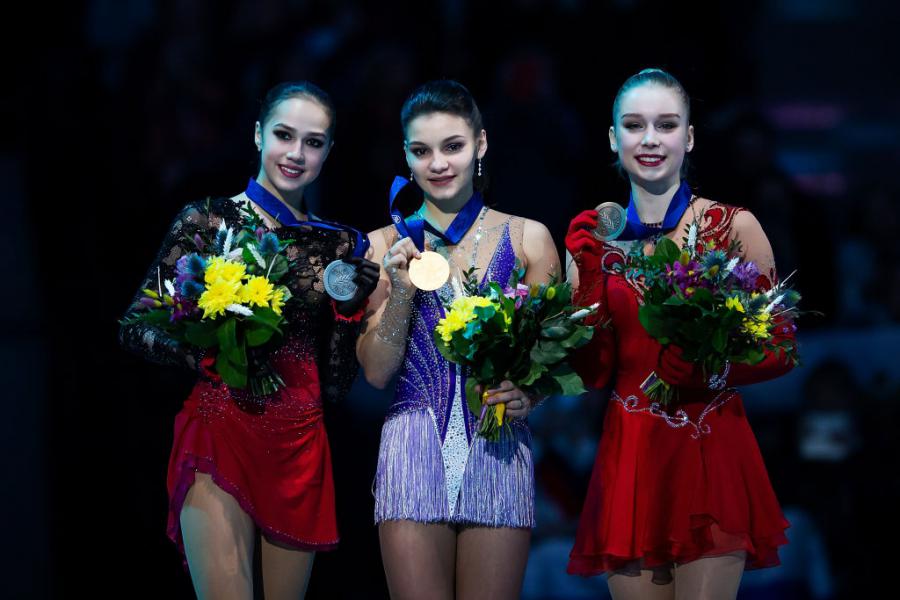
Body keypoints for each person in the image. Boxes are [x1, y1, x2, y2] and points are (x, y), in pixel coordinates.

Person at [119, 81, 378, 599]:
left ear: (328, 151)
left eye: (313, 142)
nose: (296, 153)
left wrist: (349, 317)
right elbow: (135, 325)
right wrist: (202, 355)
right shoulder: (206, 221)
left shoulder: (342, 246)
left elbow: (335, 384)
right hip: (222, 428)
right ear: (258, 134)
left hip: (300, 443)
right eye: (284, 135)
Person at [564, 68, 795, 600]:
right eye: (634, 125)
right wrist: (592, 281)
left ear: (688, 137)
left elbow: (782, 346)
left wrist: (710, 367)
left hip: (709, 449)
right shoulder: (592, 238)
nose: (649, 139)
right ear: (612, 137)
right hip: (631, 459)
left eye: (666, 125)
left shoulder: (734, 226)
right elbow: (594, 373)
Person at [357, 80, 560, 600]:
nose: (439, 164)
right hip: (411, 452)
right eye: (421, 151)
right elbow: (377, 372)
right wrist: (401, 291)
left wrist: (530, 395)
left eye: (453, 146)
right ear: (406, 156)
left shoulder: (528, 238)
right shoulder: (382, 245)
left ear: (481, 144)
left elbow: (552, 359)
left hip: (497, 448)